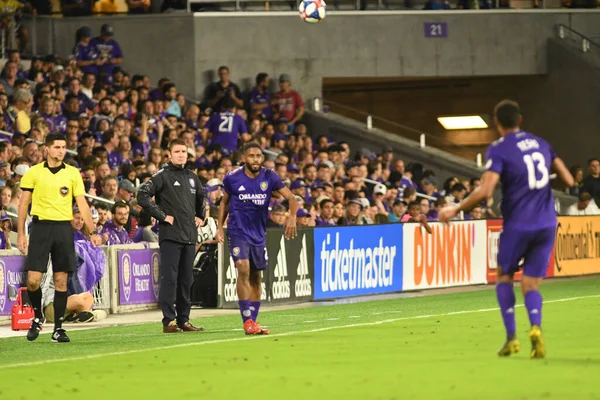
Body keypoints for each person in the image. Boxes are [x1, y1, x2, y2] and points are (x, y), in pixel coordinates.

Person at [439, 100, 574, 359]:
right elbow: (568, 180)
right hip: (547, 222)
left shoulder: (499, 149)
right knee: (532, 284)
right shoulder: (541, 143)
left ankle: (512, 338)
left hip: (520, 223)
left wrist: (454, 209)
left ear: (496, 122)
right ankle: (535, 327)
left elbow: (487, 190)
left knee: (504, 276)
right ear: (520, 120)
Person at [18, 133, 102, 343]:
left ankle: (58, 329)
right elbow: (22, 205)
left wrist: (92, 231)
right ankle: (37, 316)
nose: (61, 151)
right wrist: (20, 233)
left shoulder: (73, 174)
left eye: (63, 147)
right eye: (56, 147)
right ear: (46, 149)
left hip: (63, 228)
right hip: (40, 227)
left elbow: (82, 204)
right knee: (33, 280)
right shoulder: (34, 173)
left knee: (61, 280)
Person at [216, 141, 298, 335]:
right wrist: (220, 226)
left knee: (256, 276)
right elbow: (224, 203)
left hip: (258, 233)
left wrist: (292, 217)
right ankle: (247, 321)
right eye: (251, 156)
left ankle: (253, 320)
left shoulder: (269, 176)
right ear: (244, 158)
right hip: (237, 230)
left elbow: (292, 198)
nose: (255, 159)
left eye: (259, 156)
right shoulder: (232, 178)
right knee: (242, 267)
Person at [138, 138, 207, 333]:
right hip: (170, 236)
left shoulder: (193, 177)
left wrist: (200, 216)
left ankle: (184, 320)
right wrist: (161, 216)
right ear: (169, 154)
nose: (181, 155)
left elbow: (202, 198)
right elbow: (142, 195)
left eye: (184, 152)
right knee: (170, 279)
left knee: (187, 279)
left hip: (189, 236)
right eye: (177, 151)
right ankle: (169, 321)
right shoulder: (162, 175)